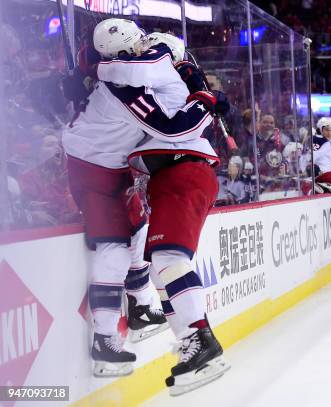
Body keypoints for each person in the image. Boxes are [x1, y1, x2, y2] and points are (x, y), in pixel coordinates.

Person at [92, 24, 230, 393]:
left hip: (183, 169)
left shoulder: (164, 79)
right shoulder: (160, 81)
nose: (143, 49)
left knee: (168, 258)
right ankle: (192, 344)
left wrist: (204, 95)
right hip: (173, 174)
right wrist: (206, 96)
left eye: (147, 46)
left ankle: (201, 344)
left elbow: (176, 128)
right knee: (161, 267)